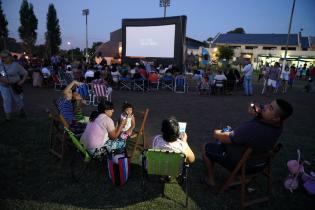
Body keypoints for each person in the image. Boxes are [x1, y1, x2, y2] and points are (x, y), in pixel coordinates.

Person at [201, 99, 293, 186]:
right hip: (260, 164)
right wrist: (257, 115)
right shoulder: (279, 127)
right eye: (269, 104)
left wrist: (216, 133)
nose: (265, 106)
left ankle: (211, 180)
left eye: (270, 108)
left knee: (206, 147)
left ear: (276, 118)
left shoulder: (253, 128)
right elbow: (261, 121)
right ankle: (241, 177)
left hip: (244, 165)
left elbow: (226, 138)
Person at [0, 50, 28, 121]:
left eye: (5, 57)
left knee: (18, 99)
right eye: (2, 57)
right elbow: (1, 76)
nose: (3, 59)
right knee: (6, 100)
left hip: (15, 86)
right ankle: (8, 117)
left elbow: (25, 73)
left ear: (10, 56)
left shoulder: (16, 65)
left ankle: (21, 111)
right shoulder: (1, 66)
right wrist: (7, 81)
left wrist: (22, 81)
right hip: (4, 86)